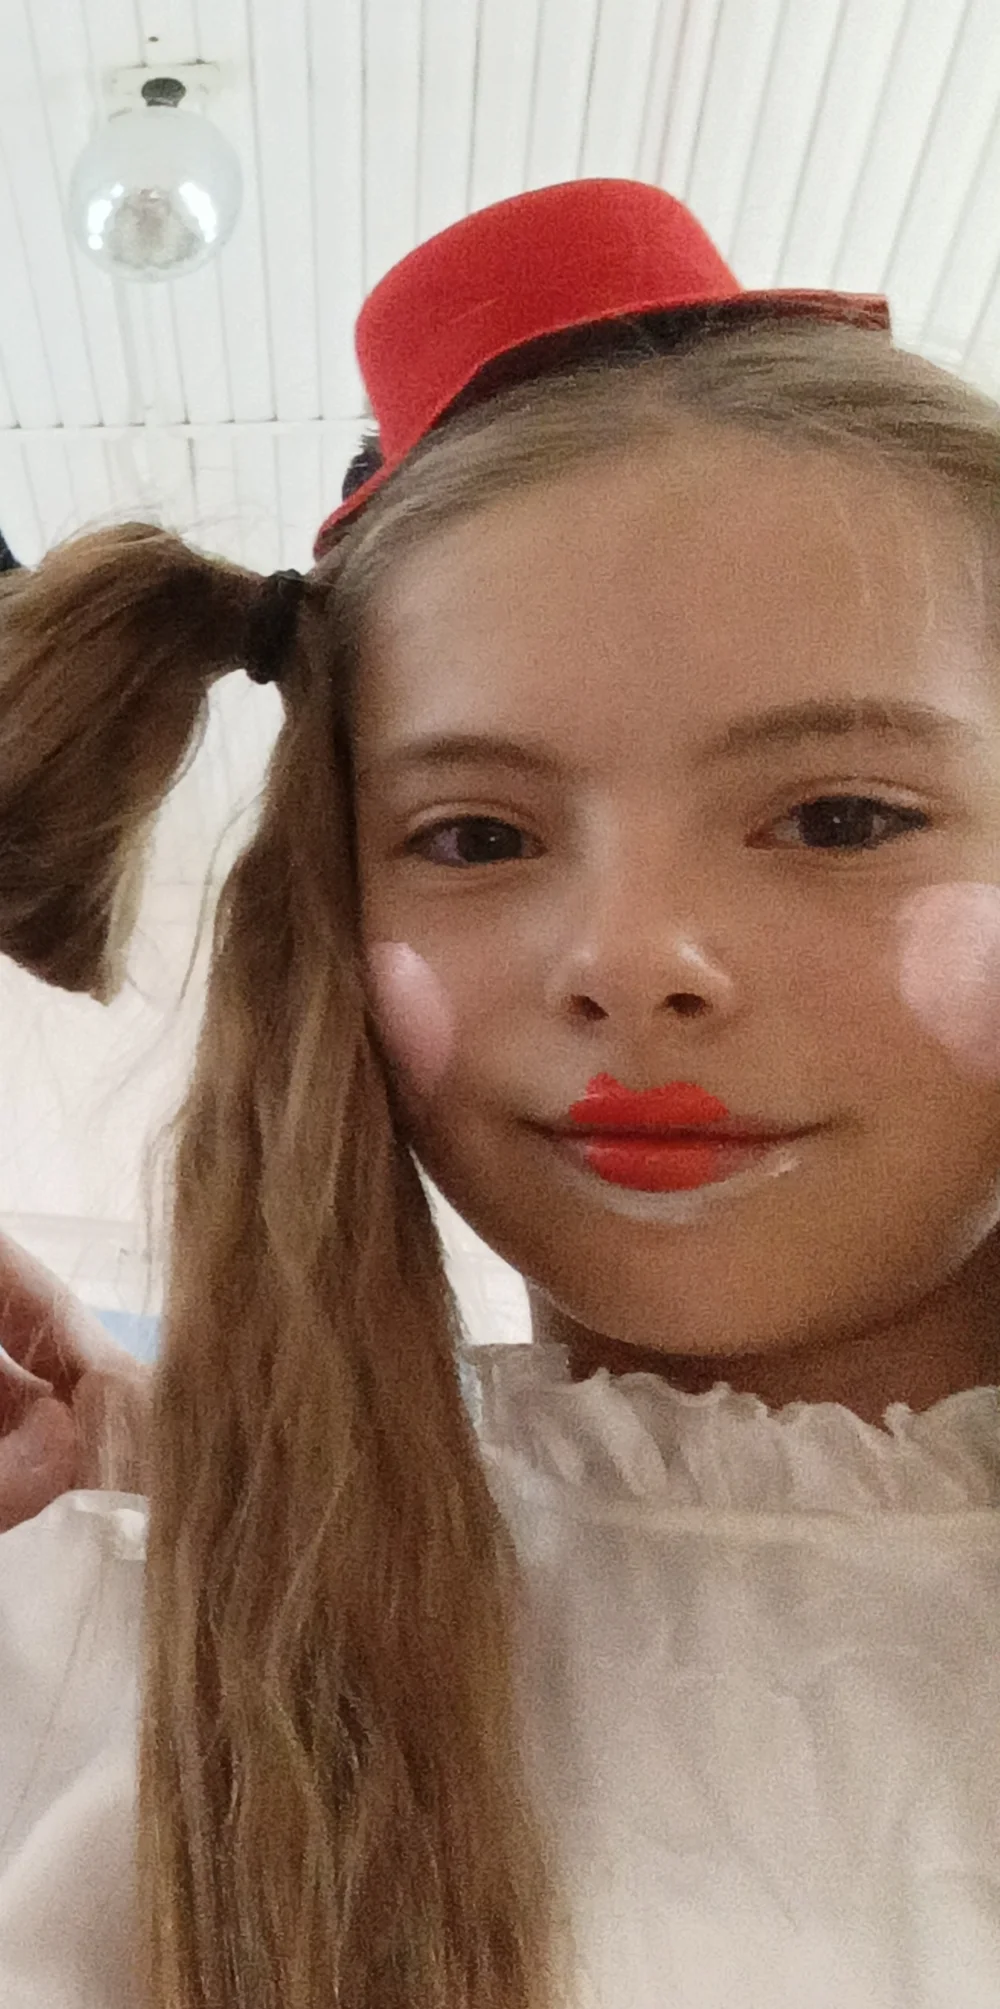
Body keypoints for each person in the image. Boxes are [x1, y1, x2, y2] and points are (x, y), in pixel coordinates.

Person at [0, 174, 999, 2009]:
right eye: (476, 835)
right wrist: (190, 1516)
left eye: (842, 817)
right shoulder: (95, 1679)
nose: (632, 956)